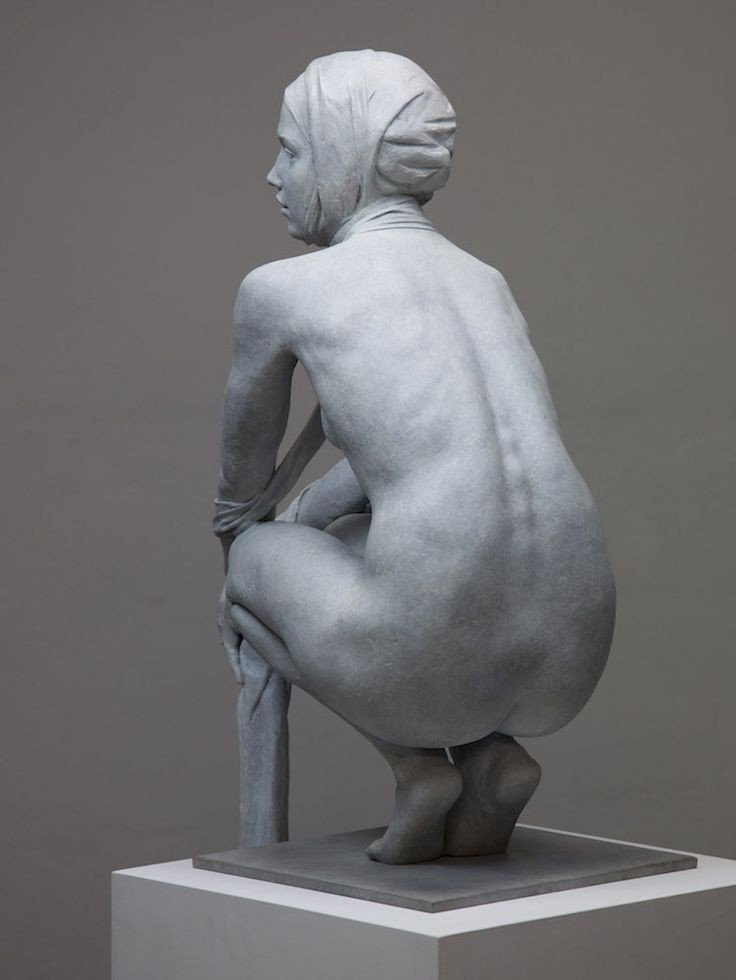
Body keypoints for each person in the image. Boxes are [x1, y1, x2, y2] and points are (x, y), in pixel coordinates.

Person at [214, 50, 616, 864]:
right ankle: (489, 759)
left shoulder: (281, 289)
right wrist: (316, 516)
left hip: (423, 660)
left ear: (345, 153)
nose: (274, 175)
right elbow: (430, 455)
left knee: (251, 563)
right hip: (572, 650)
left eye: (291, 150)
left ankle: (411, 766)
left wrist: (266, 530)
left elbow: (240, 497)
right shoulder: (484, 280)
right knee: (358, 541)